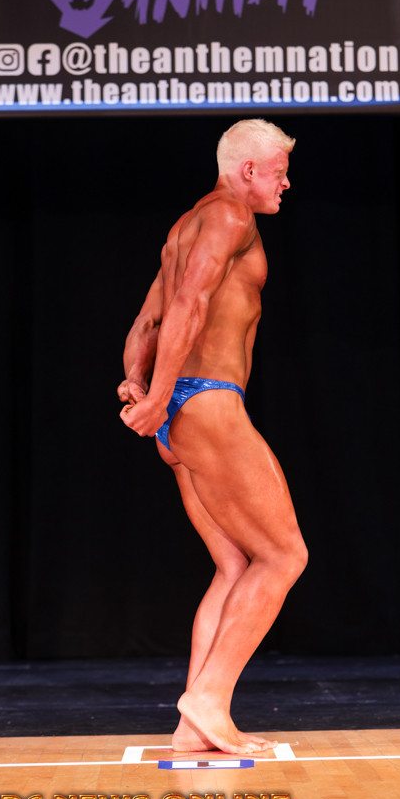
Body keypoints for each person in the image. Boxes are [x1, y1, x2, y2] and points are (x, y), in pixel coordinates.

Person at [118, 119, 307, 756]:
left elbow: (147, 321)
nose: (285, 181)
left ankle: (194, 725)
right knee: (284, 556)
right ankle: (209, 700)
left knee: (234, 565)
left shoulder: (184, 227)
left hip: (182, 413)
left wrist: (139, 383)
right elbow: (189, 305)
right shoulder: (230, 216)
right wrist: (156, 397)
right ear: (248, 170)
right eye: (279, 170)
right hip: (206, 402)